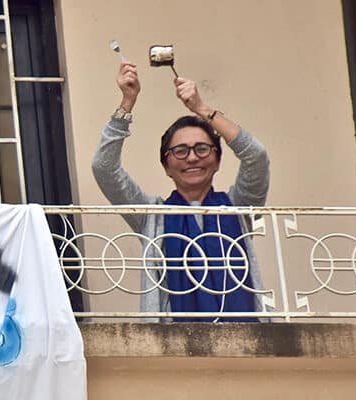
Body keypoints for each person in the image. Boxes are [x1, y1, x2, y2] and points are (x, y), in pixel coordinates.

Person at [91, 62, 270, 322]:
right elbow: (104, 168)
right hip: (173, 345)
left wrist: (201, 108)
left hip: (247, 338)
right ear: (166, 166)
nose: (192, 158)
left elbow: (256, 157)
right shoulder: (152, 216)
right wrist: (127, 102)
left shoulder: (239, 206)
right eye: (180, 151)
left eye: (202, 148)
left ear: (218, 160)